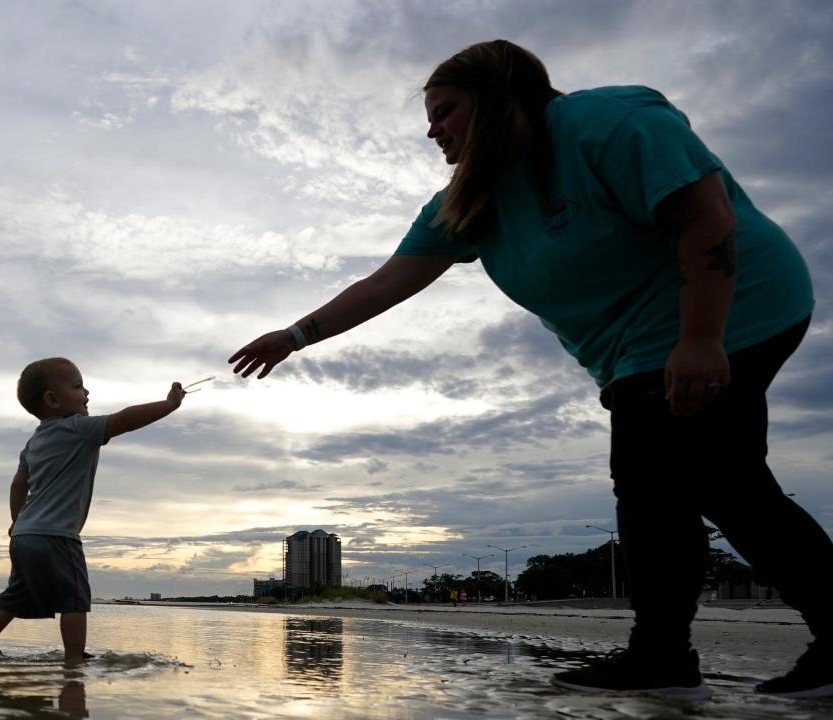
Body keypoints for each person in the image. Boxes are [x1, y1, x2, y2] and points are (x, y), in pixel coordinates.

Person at [229, 40, 833, 700]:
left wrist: (700, 339)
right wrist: (293, 336)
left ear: (498, 98)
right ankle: (678, 654)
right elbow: (387, 283)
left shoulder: (605, 123)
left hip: (734, 306)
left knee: (677, 476)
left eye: (445, 111)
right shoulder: (469, 202)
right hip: (638, 348)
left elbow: (705, 216)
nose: (432, 130)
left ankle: (662, 656)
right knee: (705, 485)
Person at [0, 357, 188, 663]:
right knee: (75, 599)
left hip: (24, 535)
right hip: (57, 536)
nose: (87, 392)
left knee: (16, 592)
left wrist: (17, 521)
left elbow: (18, 484)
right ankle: (73, 659)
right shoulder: (79, 429)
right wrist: (169, 404)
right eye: (78, 386)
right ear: (52, 399)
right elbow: (123, 420)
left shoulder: (33, 442)